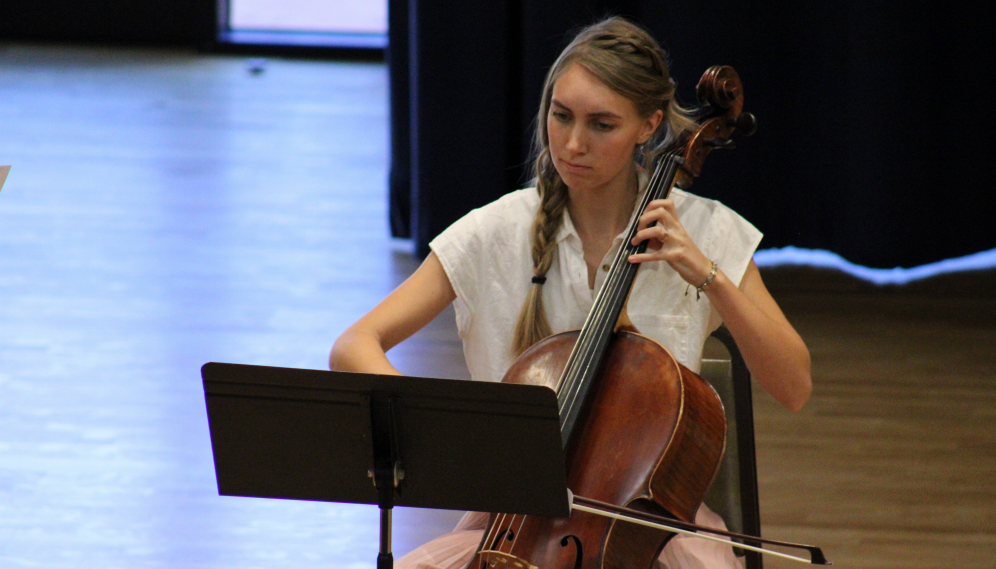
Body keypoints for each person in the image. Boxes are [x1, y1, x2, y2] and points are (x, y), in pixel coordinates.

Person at [330, 16, 811, 569]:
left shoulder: (706, 231)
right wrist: (447, 438)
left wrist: (708, 275)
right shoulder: (496, 230)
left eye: (601, 124)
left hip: (655, 526)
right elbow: (355, 343)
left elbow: (793, 384)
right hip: (513, 522)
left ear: (649, 125)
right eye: (561, 117)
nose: (574, 143)